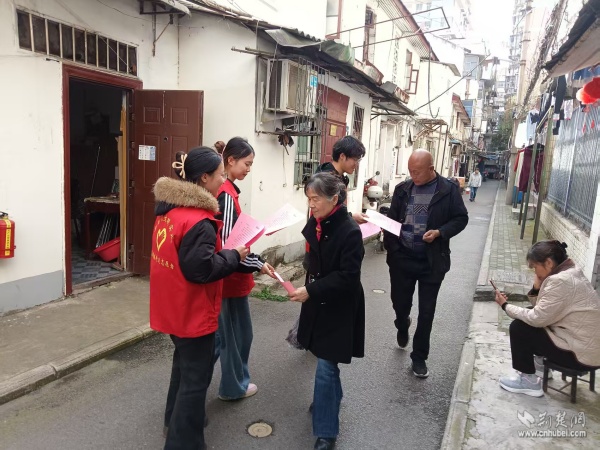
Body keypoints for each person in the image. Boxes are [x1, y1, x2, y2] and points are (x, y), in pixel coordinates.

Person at [150, 147, 250, 450]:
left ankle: (172, 422)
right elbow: (201, 270)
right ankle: (183, 442)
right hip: (192, 311)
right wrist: (233, 256)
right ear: (204, 178)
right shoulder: (198, 220)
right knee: (195, 383)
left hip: (171, 306)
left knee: (182, 370)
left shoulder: (170, 212)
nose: (223, 180)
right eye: (220, 174)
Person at [289, 172, 365, 450]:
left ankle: (326, 433)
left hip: (339, 306)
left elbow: (348, 277)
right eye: (309, 199)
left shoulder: (350, 231)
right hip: (317, 301)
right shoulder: (318, 221)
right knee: (323, 361)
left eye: (316, 199)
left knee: (325, 366)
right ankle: (329, 398)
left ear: (334, 199)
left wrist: (311, 290)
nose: (311, 205)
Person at [383, 149, 468, 378]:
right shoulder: (403, 189)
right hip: (403, 259)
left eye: (418, 172)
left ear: (431, 169)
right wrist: (393, 250)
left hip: (432, 261)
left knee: (427, 311)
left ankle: (419, 357)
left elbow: (461, 218)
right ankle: (402, 323)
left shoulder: (448, 190)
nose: (413, 176)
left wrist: (440, 232)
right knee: (400, 303)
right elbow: (391, 222)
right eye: (410, 171)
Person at [495, 240, 600, 397]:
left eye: (535, 267)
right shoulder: (571, 271)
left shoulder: (560, 281)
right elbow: (544, 310)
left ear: (549, 263)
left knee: (519, 327)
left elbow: (537, 318)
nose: (535, 272)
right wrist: (537, 288)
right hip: (589, 351)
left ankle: (528, 381)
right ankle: (540, 365)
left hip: (579, 357)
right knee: (529, 316)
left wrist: (505, 306)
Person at [214, 137, 275, 401]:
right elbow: (230, 246)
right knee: (236, 337)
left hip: (228, 277)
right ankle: (233, 387)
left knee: (229, 336)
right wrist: (257, 263)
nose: (249, 169)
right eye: (247, 164)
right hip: (230, 278)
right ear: (230, 160)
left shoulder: (226, 190)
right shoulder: (226, 194)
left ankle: (219, 384)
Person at [315, 135, 368, 224]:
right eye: (355, 160)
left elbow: (339, 210)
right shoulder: (326, 179)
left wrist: (350, 216)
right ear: (342, 156)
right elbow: (326, 215)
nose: (356, 164)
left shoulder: (340, 177)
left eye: (358, 161)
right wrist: (351, 217)